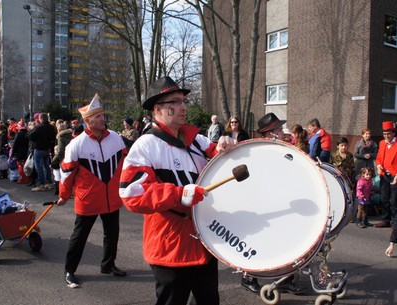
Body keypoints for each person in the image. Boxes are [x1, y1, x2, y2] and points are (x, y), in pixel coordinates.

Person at [119, 76, 236, 305]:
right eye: (175, 102)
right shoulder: (146, 145)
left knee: (210, 300)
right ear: (157, 109)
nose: (183, 107)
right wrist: (178, 194)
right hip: (170, 247)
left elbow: (219, 156)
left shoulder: (197, 141)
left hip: (205, 239)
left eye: (184, 101)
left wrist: (225, 146)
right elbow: (131, 193)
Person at [56, 94, 128, 288]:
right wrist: (63, 195)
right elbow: (67, 173)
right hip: (87, 200)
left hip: (111, 198)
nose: (102, 119)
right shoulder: (76, 144)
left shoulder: (116, 139)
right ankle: (69, 271)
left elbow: (127, 165)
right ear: (87, 121)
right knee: (79, 237)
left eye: (103, 115)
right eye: (98, 117)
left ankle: (108, 265)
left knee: (112, 234)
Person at [241, 112, 305, 295]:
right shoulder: (258, 151)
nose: (283, 131)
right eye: (278, 129)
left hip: (282, 203)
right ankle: (248, 278)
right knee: (256, 243)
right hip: (261, 206)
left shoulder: (284, 149)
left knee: (284, 243)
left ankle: (284, 278)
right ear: (270, 133)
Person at [374, 121, 397, 228]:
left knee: (394, 200)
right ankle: (385, 219)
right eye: (384, 134)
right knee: (384, 199)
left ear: (394, 133)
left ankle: (396, 222)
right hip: (385, 174)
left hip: (396, 174)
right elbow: (379, 158)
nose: (386, 136)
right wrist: (379, 165)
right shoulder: (382, 143)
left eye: (388, 134)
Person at [27, 113, 56, 191]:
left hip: (39, 148)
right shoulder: (51, 127)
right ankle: (49, 182)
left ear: (41, 119)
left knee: (39, 167)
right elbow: (53, 138)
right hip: (47, 148)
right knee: (46, 166)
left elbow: (29, 136)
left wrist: (36, 138)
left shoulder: (38, 127)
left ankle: (41, 183)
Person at [50, 122, 73, 195]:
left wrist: (54, 160)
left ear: (58, 130)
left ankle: (60, 192)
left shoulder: (61, 138)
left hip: (63, 159)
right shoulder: (71, 136)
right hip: (71, 158)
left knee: (60, 176)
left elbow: (60, 151)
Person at [11, 119, 30, 184]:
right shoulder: (28, 133)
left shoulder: (18, 134)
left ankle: (23, 178)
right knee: (26, 165)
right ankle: (27, 178)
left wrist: (13, 153)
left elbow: (15, 145)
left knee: (21, 166)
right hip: (27, 152)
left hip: (20, 153)